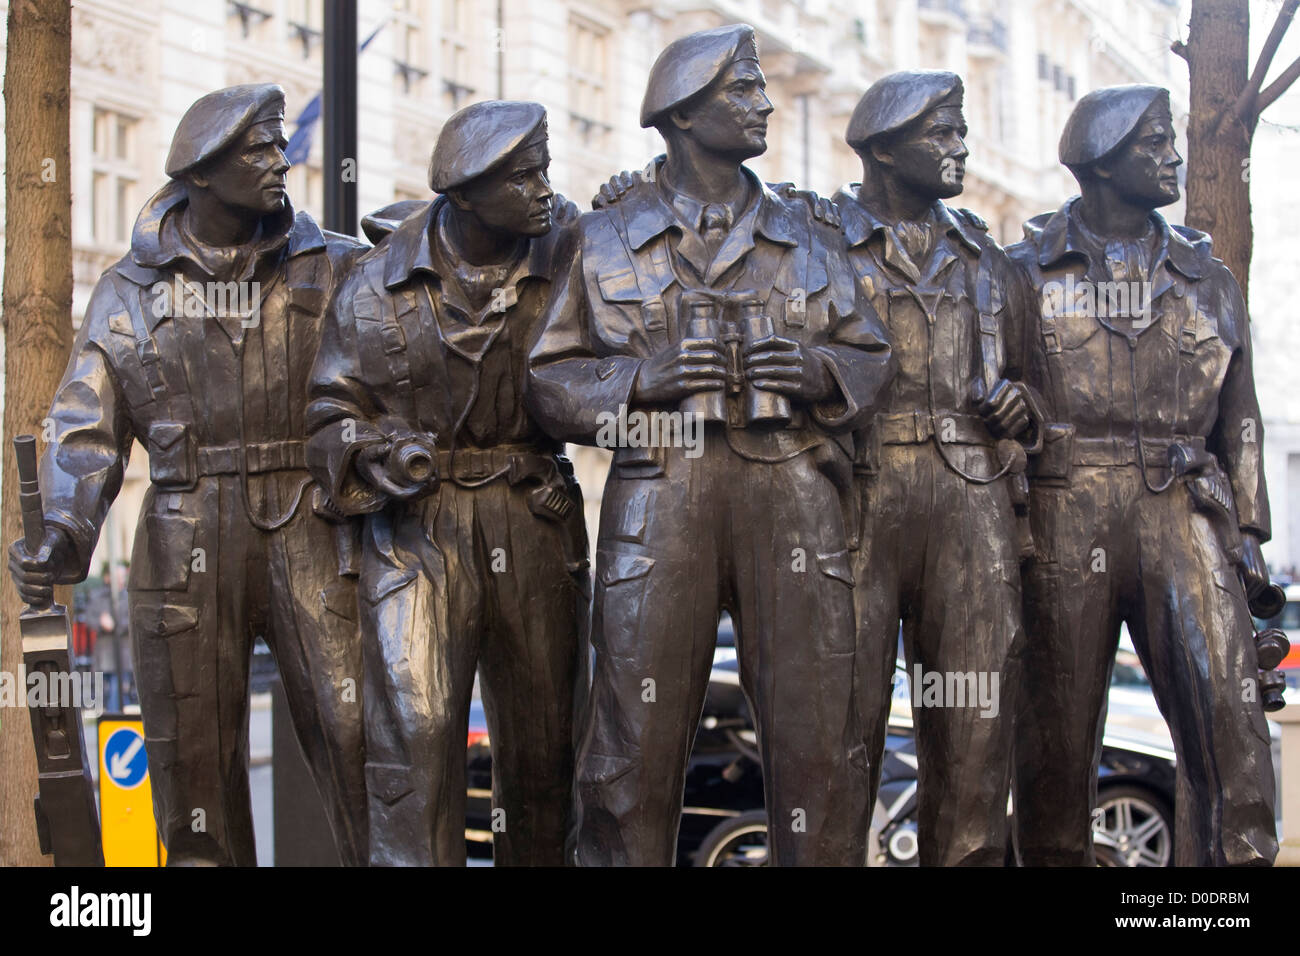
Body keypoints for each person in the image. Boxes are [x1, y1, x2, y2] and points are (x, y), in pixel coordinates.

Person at [528, 23, 894, 866]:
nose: (764, 103)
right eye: (743, 90)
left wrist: (814, 370)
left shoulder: (808, 232)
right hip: (661, 491)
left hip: (794, 493)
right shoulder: (606, 234)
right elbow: (549, 381)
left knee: (818, 744)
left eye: (759, 87)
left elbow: (872, 355)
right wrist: (638, 382)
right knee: (631, 745)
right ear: (683, 114)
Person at [8, 84, 368, 866]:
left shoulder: (338, 266)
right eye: (259, 149)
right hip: (182, 534)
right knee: (192, 769)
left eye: (279, 143)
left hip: (313, 526)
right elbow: (82, 433)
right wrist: (66, 527)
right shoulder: (126, 293)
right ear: (201, 172)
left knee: (361, 744)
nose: (280, 161)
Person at [306, 101, 588, 866]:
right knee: (417, 735)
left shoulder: (570, 256)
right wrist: (374, 449)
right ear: (464, 193)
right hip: (416, 530)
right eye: (522, 175)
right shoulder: (375, 284)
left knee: (545, 747)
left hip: (532, 516)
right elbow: (330, 407)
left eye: (543, 168)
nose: (544, 187)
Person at [1008, 85, 1278, 866]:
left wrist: (1249, 534)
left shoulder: (1209, 278)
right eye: (1155, 142)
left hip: (1185, 510)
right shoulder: (1022, 273)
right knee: (1054, 744)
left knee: (1232, 728)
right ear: (1100, 157)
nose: (1173, 156)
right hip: (1065, 510)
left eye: (1171, 140)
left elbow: (1244, 420)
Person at [836, 70, 1037, 865]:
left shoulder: (986, 257)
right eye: (942, 134)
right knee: (839, 726)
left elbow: (1034, 391)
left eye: (960, 131)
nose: (960, 148)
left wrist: (1023, 408)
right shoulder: (815, 239)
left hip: (972, 498)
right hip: (857, 489)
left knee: (975, 729)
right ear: (884, 148)